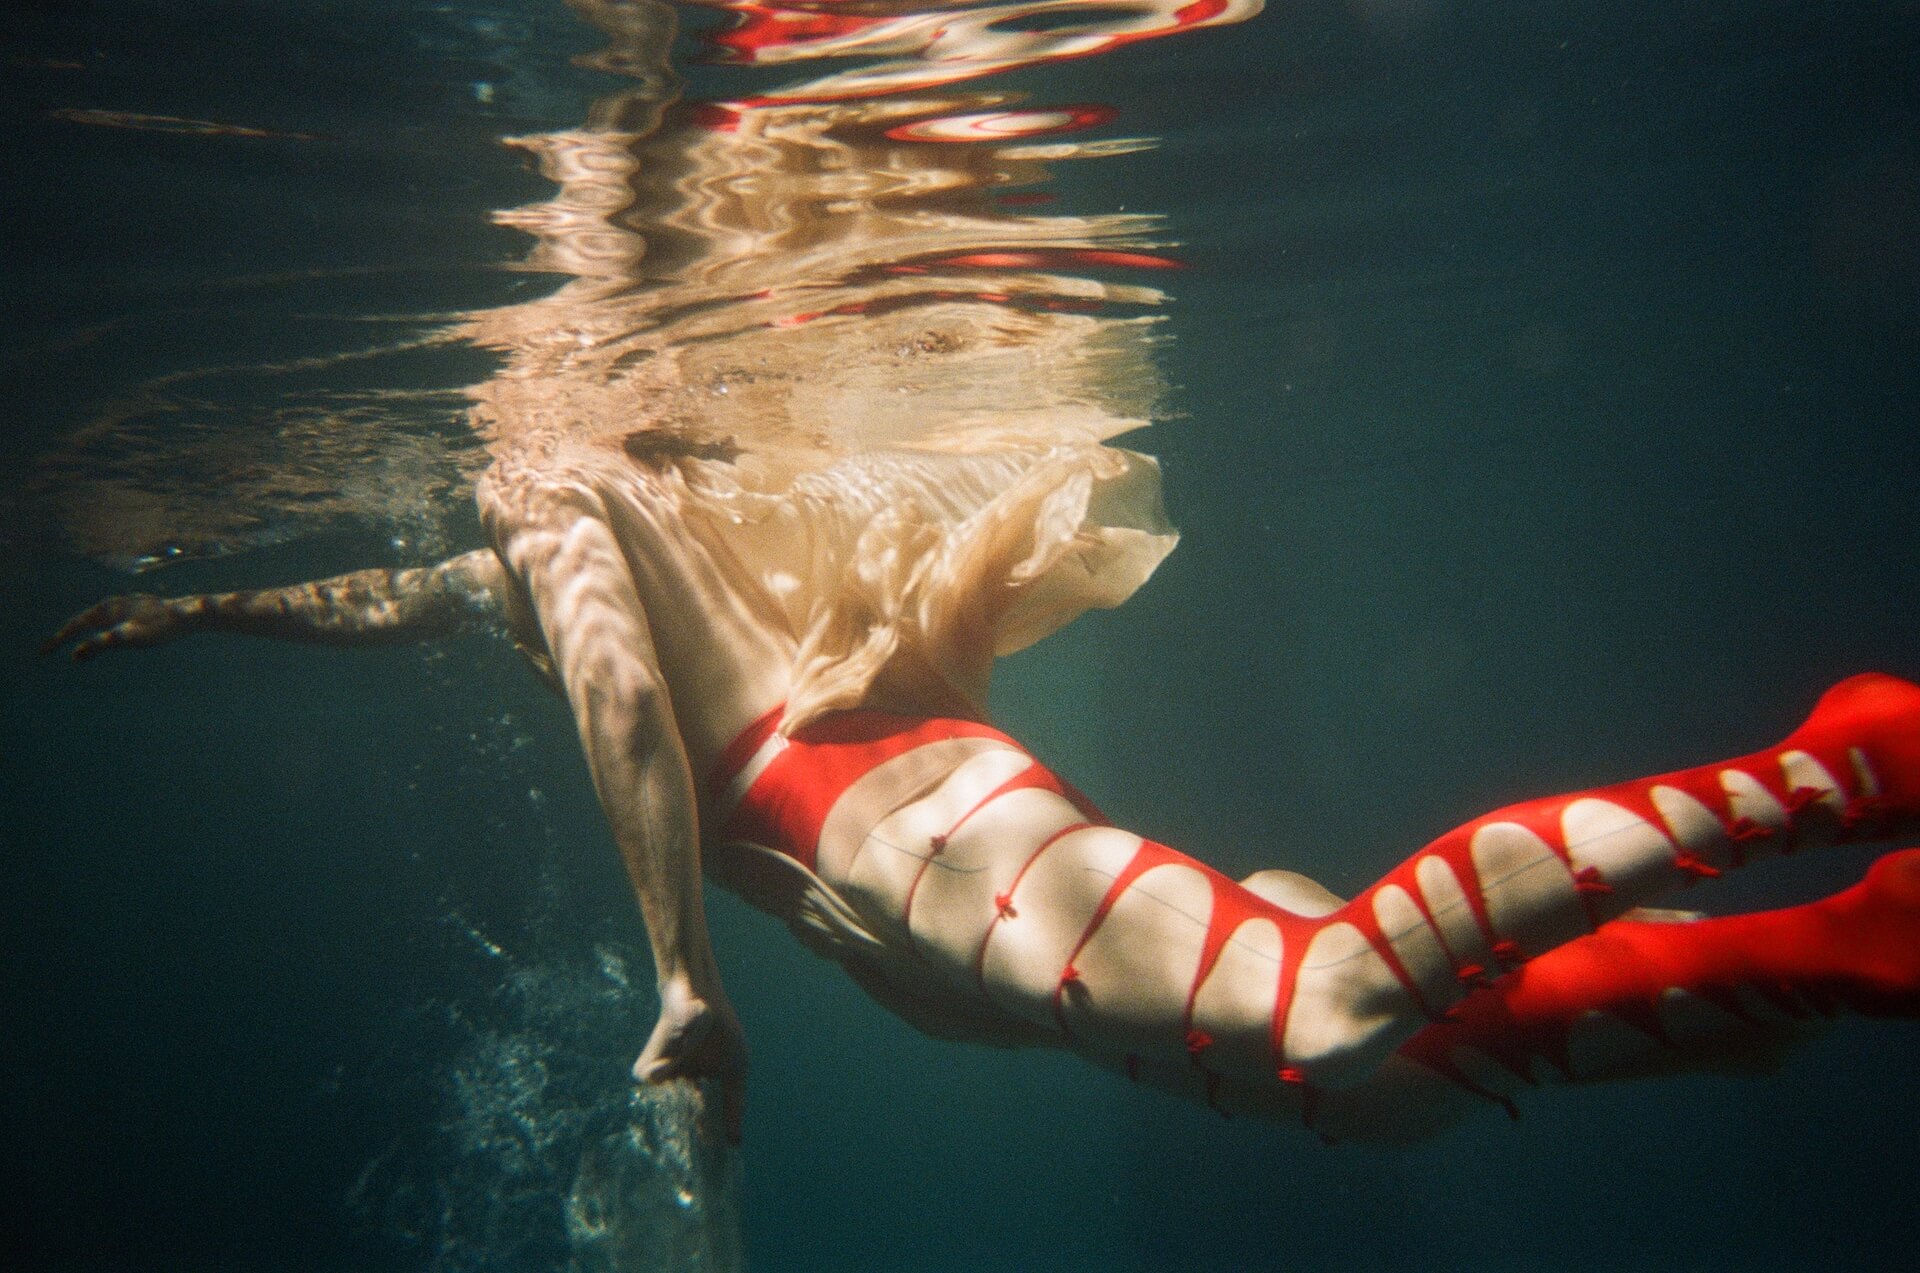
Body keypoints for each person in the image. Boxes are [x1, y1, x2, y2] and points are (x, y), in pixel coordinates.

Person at [46, 426, 1920, 1147]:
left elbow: (619, 712)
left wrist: (684, 978)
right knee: (1387, 1088)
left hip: (921, 846)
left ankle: (1830, 769)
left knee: (1334, 1010)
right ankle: (1848, 945)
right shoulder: (528, 537)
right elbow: (418, 601)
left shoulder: (553, 496)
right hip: (929, 855)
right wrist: (211, 607)